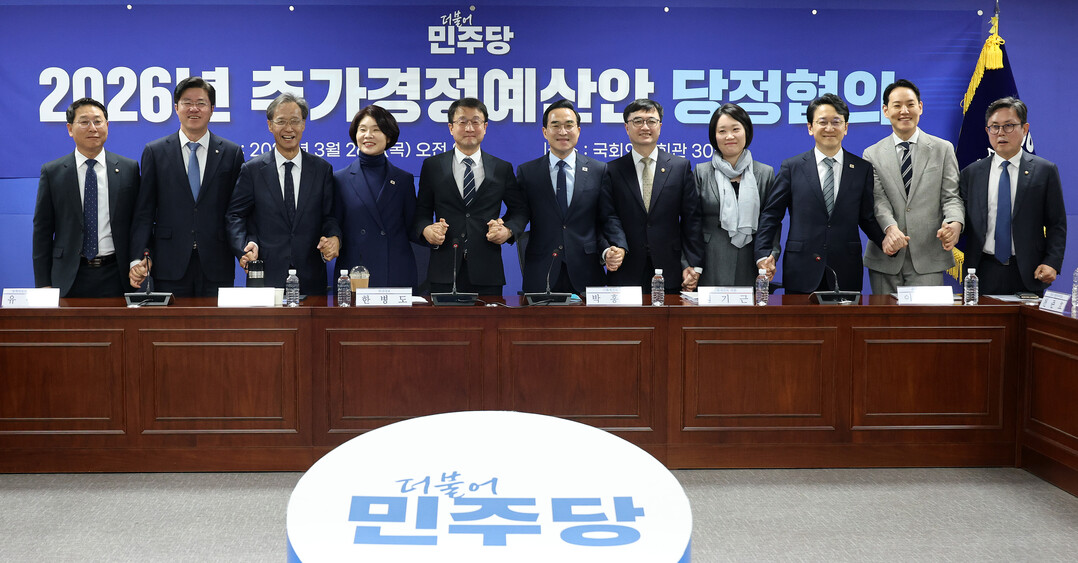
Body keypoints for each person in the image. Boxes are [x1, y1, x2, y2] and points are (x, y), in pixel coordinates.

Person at [755, 93, 886, 293]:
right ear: (810, 127)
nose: (829, 128)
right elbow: (771, 215)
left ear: (846, 127)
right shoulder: (792, 167)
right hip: (801, 268)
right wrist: (763, 253)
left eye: (836, 122)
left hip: (846, 268)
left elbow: (866, 217)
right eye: (822, 122)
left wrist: (886, 241)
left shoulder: (862, 169)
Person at [129, 76, 245, 297]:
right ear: (176, 107)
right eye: (187, 102)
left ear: (212, 109)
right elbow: (144, 212)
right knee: (172, 320)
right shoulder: (155, 151)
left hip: (216, 261)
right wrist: (138, 256)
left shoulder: (231, 153)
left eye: (201, 103)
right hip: (169, 262)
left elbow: (238, 210)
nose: (194, 109)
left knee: (216, 320)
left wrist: (243, 249)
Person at [226, 93, 341, 295]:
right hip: (265, 275)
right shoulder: (252, 170)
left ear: (303, 124)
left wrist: (333, 237)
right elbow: (235, 215)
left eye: (295, 121)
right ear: (270, 125)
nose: (289, 129)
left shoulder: (322, 169)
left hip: (311, 275)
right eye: (281, 122)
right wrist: (244, 247)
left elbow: (329, 216)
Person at [412, 97, 527, 295]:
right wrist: (426, 230)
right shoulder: (432, 166)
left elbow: (520, 211)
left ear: (485, 127)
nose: (469, 128)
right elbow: (421, 213)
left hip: (487, 269)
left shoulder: (501, 168)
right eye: (462, 122)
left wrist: (508, 230)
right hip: (443, 269)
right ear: (451, 127)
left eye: (475, 121)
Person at [862, 79, 963, 294]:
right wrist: (890, 229)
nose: (904, 111)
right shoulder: (872, 154)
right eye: (897, 105)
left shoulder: (943, 149)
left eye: (910, 104)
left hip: (929, 255)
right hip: (886, 255)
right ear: (886, 110)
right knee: (885, 316)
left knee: (925, 317)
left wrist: (954, 223)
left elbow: (951, 196)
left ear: (920, 107)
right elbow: (878, 200)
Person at [515, 99, 627, 294]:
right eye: (555, 125)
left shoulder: (598, 170)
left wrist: (618, 246)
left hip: (586, 270)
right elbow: (520, 214)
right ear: (545, 132)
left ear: (578, 130)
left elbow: (608, 216)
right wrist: (507, 229)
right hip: (542, 270)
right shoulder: (528, 172)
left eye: (569, 125)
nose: (563, 132)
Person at [32, 98, 140, 297]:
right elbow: (42, 231)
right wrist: (43, 283)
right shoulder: (53, 172)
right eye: (84, 122)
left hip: (116, 274)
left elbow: (139, 222)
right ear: (70, 129)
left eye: (98, 121)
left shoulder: (128, 169)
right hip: (69, 276)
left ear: (107, 126)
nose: (93, 128)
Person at [958, 97, 1066, 296]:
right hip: (982, 271)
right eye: (994, 127)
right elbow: (962, 219)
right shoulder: (971, 173)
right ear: (987, 131)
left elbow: (1056, 224)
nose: (1001, 133)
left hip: (1029, 272)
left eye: (1009, 126)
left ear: (1024, 129)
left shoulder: (1045, 171)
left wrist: (1052, 262)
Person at [601, 99, 704, 293]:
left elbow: (692, 220)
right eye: (638, 121)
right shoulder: (612, 170)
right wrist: (618, 246)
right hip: (626, 267)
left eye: (651, 121)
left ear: (660, 126)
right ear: (627, 127)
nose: (645, 127)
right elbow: (608, 216)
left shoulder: (680, 167)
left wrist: (692, 263)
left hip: (671, 268)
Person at [333, 105, 418, 289]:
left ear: (389, 137)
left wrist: (431, 232)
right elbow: (333, 225)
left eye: (376, 130)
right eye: (362, 129)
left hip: (396, 271)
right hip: (356, 270)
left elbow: (413, 227)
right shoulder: (339, 179)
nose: (368, 135)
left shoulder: (403, 180)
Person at [694, 103, 778, 286]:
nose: (729, 136)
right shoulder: (701, 172)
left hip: (752, 262)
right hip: (710, 262)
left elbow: (771, 221)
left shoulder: (765, 173)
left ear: (746, 131)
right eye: (722, 131)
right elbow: (691, 222)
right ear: (714, 136)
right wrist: (692, 265)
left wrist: (768, 256)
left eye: (735, 129)